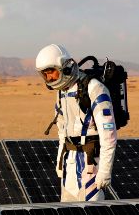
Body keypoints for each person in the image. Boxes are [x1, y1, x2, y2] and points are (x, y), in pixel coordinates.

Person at [35, 44, 117, 202]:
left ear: (64, 67)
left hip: (91, 161)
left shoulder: (94, 88)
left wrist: (105, 171)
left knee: (91, 212)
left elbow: (109, 134)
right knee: (68, 211)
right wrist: (60, 160)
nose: (49, 78)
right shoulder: (62, 92)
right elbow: (62, 130)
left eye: (51, 71)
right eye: (45, 74)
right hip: (69, 162)